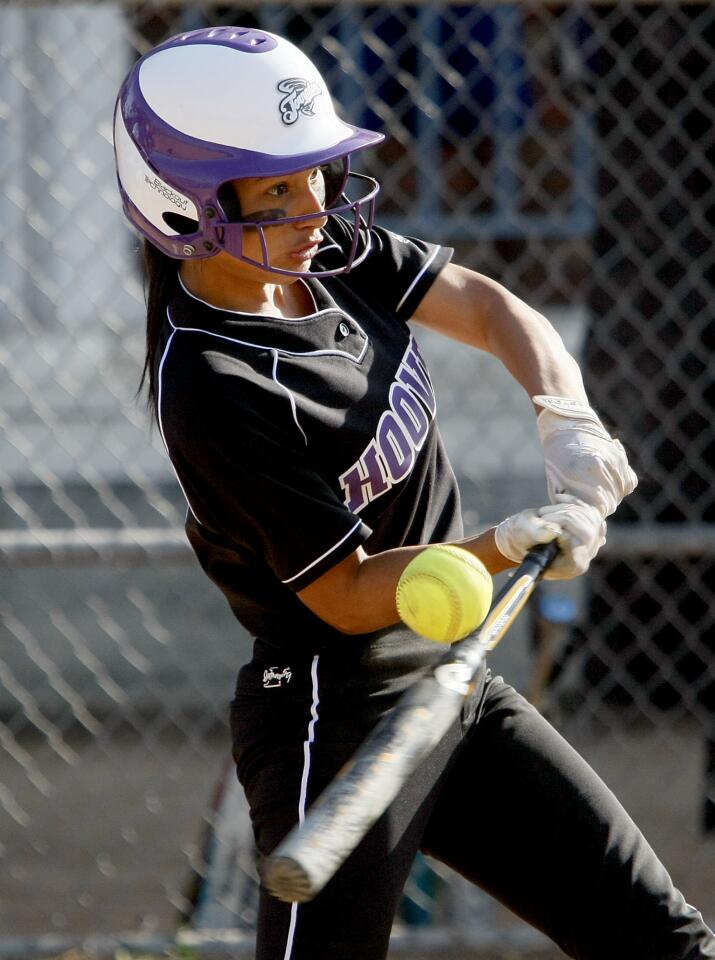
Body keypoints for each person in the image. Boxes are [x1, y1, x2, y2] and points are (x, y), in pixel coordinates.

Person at [113, 26, 715, 960]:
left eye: (313, 172)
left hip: (447, 680)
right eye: (276, 186)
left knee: (657, 937)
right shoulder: (216, 384)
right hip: (331, 717)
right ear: (183, 206)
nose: (313, 204)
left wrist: (566, 414)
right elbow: (345, 594)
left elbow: (483, 304)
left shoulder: (321, 252)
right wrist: (506, 544)